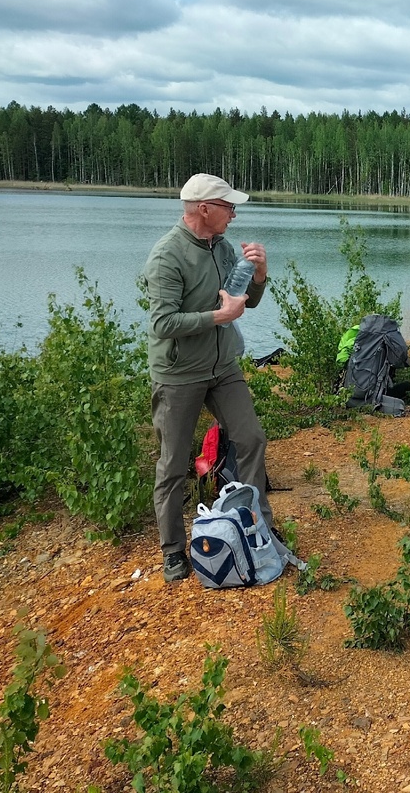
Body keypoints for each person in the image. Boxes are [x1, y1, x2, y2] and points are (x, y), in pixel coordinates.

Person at [142, 173, 274, 583]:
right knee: (174, 463)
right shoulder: (167, 257)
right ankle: (173, 551)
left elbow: (244, 303)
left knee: (251, 439)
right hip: (179, 374)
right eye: (228, 206)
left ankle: (256, 527)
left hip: (223, 367)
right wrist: (219, 317)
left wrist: (259, 273)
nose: (233, 214)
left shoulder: (221, 247)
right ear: (204, 209)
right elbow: (162, 323)